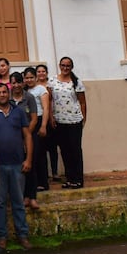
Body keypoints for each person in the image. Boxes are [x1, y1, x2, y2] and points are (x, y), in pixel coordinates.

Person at [0, 83, 33, 251]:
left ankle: (23, 235)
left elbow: (27, 136)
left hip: (18, 164)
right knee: (0, 202)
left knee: (18, 202)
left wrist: (28, 159)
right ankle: (1, 237)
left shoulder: (18, 112)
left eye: (4, 92)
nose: (2, 95)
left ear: (8, 93)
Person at [48, 56, 87, 189]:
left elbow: (82, 101)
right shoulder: (52, 81)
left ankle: (78, 179)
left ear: (71, 67)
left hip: (74, 121)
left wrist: (83, 118)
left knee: (75, 150)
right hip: (59, 121)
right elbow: (49, 100)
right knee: (64, 150)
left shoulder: (76, 82)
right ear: (59, 65)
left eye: (68, 66)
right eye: (63, 65)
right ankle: (70, 178)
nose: (65, 68)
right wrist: (51, 117)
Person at [10, 72, 40, 210]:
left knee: (31, 165)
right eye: (13, 82)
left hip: (28, 135)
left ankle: (32, 197)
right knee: (19, 167)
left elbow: (34, 118)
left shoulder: (29, 97)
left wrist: (26, 134)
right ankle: (22, 196)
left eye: (18, 82)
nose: (16, 85)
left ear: (23, 83)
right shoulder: (7, 98)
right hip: (13, 137)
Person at [24, 66, 50, 191]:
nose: (29, 80)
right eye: (26, 78)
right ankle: (33, 182)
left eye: (31, 77)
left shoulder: (41, 89)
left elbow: (46, 108)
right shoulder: (24, 91)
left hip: (39, 121)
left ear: (35, 78)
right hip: (28, 122)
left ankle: (43, 182)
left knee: (40, 153)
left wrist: (44, 125)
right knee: (31, 153)